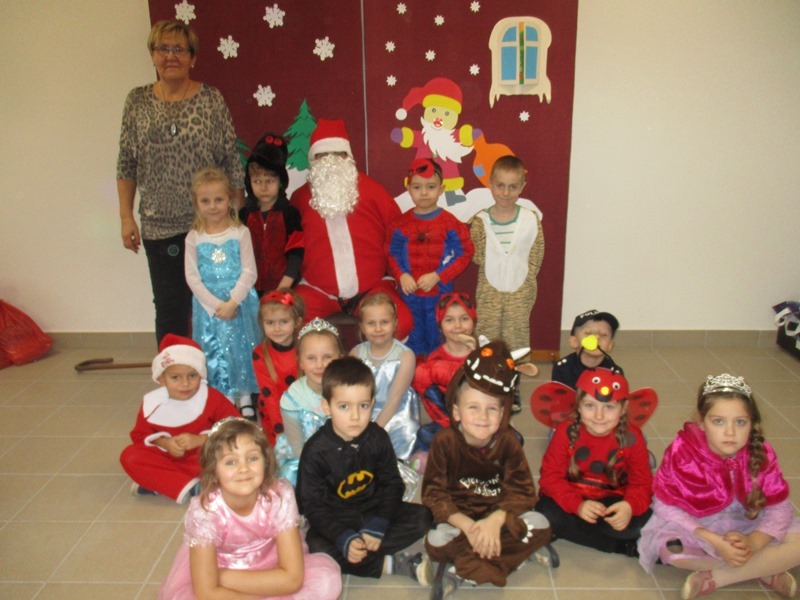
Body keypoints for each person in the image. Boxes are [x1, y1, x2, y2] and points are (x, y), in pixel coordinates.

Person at [117, 20, 244, 344]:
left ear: (193, 57)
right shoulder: (137, 101)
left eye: (179, 49)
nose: (170, 56)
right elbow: (126, 162)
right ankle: (174, 369)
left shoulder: (211, 99)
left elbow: (231, 159)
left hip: (209, 226)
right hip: (159, 226)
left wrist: (235, 216)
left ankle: (218, 369)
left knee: (216, 302)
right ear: (152, 55)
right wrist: (126, 216)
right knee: (170, 307)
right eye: (163, 48)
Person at [638, 374, 800, 599]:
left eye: (740, 422)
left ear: (752, 423)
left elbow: (780, 508)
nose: (730, 432)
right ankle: (766, 567)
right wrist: (713, 540)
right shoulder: (683, 452)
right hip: (701, 527)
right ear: (701, 422)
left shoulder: (761, 453)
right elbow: (664, 505)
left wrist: (754, 542)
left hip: (752, 525)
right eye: (718, 421)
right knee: (673, 551)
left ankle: (715, 578)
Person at [158, 418, 342, 599]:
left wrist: (221, 577)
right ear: (214, 471)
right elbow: (206, 592)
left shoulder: (279, 496)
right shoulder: (205, 511)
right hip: (220, 566)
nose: (243, 468)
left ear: (266, 462)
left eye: (252, 458)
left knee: (326, 580)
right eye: (230, 462)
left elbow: (292, 580)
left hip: (263, 565)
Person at [422, 341, 552, 592]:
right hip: (461, 522)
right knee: (435, 540)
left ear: (503, 413)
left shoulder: (508, 442)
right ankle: (502, 560)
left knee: (541, 524)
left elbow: (523, 492)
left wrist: (495, 520)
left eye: (492, 409)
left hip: (499, 517)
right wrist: (469, 527)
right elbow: (433, 495)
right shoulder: (444, 442)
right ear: (456, 412)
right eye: (473, 408)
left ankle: (470, 565)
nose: (483, 417)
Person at [297, 357, 433, 581]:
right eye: (344, 407)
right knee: (316, 547)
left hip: (373, 510)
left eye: (363, 406)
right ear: (326, 407)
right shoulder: (315, 452)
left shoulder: (377, 437)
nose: (355, 416)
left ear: (372, 403)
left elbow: (392, 484)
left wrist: (379, 523)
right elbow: (313, 506)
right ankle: (390, 564)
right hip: (337, 518)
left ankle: (360, 551)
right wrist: (342, 536)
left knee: (422, 517)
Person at [289, 118, 413, 338]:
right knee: (287, 320)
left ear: (348, 156)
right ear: (313, 159)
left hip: (371, 287)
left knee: (401, 323)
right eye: (323, 155)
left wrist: (401, 273)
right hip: (317, 291)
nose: (331, 161)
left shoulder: (373, 191)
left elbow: (398, 235)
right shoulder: (300, 199)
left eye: (338, 154)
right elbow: (290, 244)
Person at [536, 368, 653, 557]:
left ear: (623, 409)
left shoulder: (633, 437)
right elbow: (550, 479)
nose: (599, 416)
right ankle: (620, 547)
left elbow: (643, 483)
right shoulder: (565, 432)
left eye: (609, 407)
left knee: (640, 522)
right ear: (578, 406)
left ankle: (575, 531)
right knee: (545, 513)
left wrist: (629, 506)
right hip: (572, 495)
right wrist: (577, 505)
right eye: (590, 405)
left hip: (611, 499)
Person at [120, 334, 239, 503]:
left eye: (192, 376)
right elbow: (140, 436)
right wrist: (164, 443)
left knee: (231, 454)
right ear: (161, 379)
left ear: (201, 375)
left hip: (204, 459)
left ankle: (163, 483)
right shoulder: (152, 404)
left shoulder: (212, 398)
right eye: (175, 377)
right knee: (130, 456)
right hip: (168, 459)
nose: (185, 383)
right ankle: (191, 487)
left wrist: (201, 440)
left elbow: (237, 427)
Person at [184, 167, 261, 417]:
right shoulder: (194, 237)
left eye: (218, 199)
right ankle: (223, 397)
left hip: (239, 303)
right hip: (209, 308)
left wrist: (232, 302)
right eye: (205, 201)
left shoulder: (240, 232)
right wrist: (215, 306)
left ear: (230, 199)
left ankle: (246, 397)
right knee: (215, 351)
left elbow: (249, 271)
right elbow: (192, 277)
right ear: (197, 203)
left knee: (241, 348)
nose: (213, 206)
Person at [387, 158, 474, 356]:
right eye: (417, 187)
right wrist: (402, 275)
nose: (424, 193)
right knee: (413, 336)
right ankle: (416, 371)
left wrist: (438, 276)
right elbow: (392, 252)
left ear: (441, 189)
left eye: (431, 187)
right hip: (410, 295)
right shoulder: (400, 225)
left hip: (440, 295)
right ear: (408, 189)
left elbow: (465, 252)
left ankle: (438, 371)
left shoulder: (450, 223)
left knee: (439, 336)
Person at [469, 155, 544, 365]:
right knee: (487, 335)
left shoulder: (530, 219)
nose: (505, 193)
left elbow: (537, 253)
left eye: (512, 187)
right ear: (491, 184)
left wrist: (525, 279)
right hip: (489, 289)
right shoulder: (480, 221)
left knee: (516, 336)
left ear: (522, 187)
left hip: (521, 289)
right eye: (500, 185)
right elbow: (476, 255)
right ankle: (486, 374)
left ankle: (514, 376)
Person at [350, 292, 420, 460]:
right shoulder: (356, 354)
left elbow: (394, 400)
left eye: (384, 322)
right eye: (371, 323)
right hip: (364, 411)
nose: (378, 329)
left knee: (404, 431)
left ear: (395, 323)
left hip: (396, 413)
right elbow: (351, 395)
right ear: (362, 326)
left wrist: (371, 432)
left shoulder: (405, 356)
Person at [274, 317, 344, 484]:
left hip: (342, 452)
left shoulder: (348, 390)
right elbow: (297, 445)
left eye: (327, 357)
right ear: (301, 362)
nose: (320, 365)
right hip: (304, 456)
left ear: (340, 358)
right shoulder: (293, 397)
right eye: (311, 358)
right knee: (293, 477)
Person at [239, 133, 304, 295]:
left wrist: (283, 287)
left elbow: (296, 253)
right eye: (257, 181)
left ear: (280, 182)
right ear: (249, 182)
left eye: (270, 181)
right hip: (250, 290)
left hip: (284, 288)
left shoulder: (290, 214)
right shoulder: (244, 216)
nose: (263, 188)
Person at [412, 292, 477, 449]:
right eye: (449, 320)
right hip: (449, 422)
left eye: (464, 319)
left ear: (474, 321)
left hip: (479, 419)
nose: (458, 326)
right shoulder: (434, 360)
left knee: (514, 438)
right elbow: (433, 405)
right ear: (440, 326)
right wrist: (454, 424)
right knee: (424, 434)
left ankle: (464, 446)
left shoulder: (483, 355)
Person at [252, 290, 305, 445]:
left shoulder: (305, 347)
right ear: (262, 323)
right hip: (274, 413)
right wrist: (280, 430)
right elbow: (270, 397)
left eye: (284, 322)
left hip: (305, 408)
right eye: (270, 323)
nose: (277, 329)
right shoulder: (260, 354)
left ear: (297, 322)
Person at [552, 309, 623, 390]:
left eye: (604, 335)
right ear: (574, 341)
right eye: (588, 333)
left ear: (610, 345)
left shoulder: (614, 372)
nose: (597, 337)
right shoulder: (563, 368)